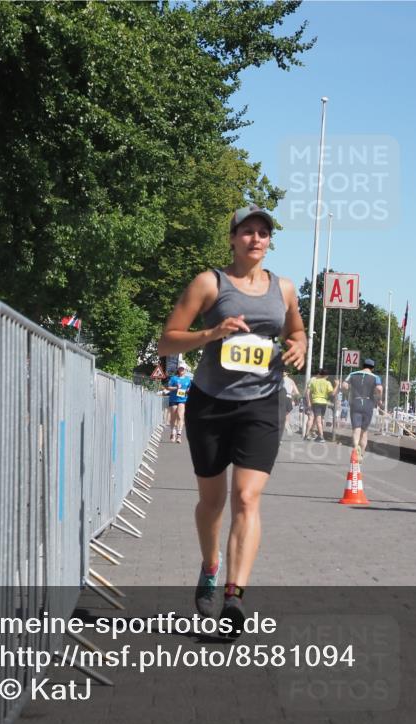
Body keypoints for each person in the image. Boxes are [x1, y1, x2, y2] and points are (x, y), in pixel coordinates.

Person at [158, 204, 306, 632]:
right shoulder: (210, 283)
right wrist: (213, 333)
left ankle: (234, 596)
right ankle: (209, 565)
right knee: (212, 501)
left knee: (246, 498)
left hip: (262, 403)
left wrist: (298, 347)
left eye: (263, 232)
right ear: (232, 238)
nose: (256, 239)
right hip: (211, 401)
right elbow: (167, 341)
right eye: (247, 231)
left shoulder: (285, 288)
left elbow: (296, 331)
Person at [341, 357, 383, 459]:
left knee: (356, 429)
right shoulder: (375, 377)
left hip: (355, 402)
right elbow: (379, 388)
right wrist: (379, 399)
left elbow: (344, 385)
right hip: (368, 403)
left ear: (363, 366)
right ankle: (361, 455)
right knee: (364, 431)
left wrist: (347, 393)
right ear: (372, 368)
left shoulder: (352, 374)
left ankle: (356, 447)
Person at [305, 368, 335, 442]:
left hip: (316, 402)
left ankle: (316, 435)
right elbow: (332, 393)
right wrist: (337, 385)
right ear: (327, 375)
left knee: (315, 419)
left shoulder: (314, 382)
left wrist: (309, 401)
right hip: (324, 403)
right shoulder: (328, 383)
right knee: (320, 419)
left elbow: (308, 392)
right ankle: (319, 435)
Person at [165, 363, 193, 443]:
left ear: (185, 370)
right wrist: (176, 388)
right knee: (173, 417)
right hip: (173, 399)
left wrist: (188, 391)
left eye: (183, 369)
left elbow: (189, 389)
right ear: (178, 369)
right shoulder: (174, 378)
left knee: (180, 416)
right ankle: (173, 432)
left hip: (183, 400)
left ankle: (179, 435)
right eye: (180, 368)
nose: (181, 370)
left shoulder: (187, 379)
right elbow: (168, 387)